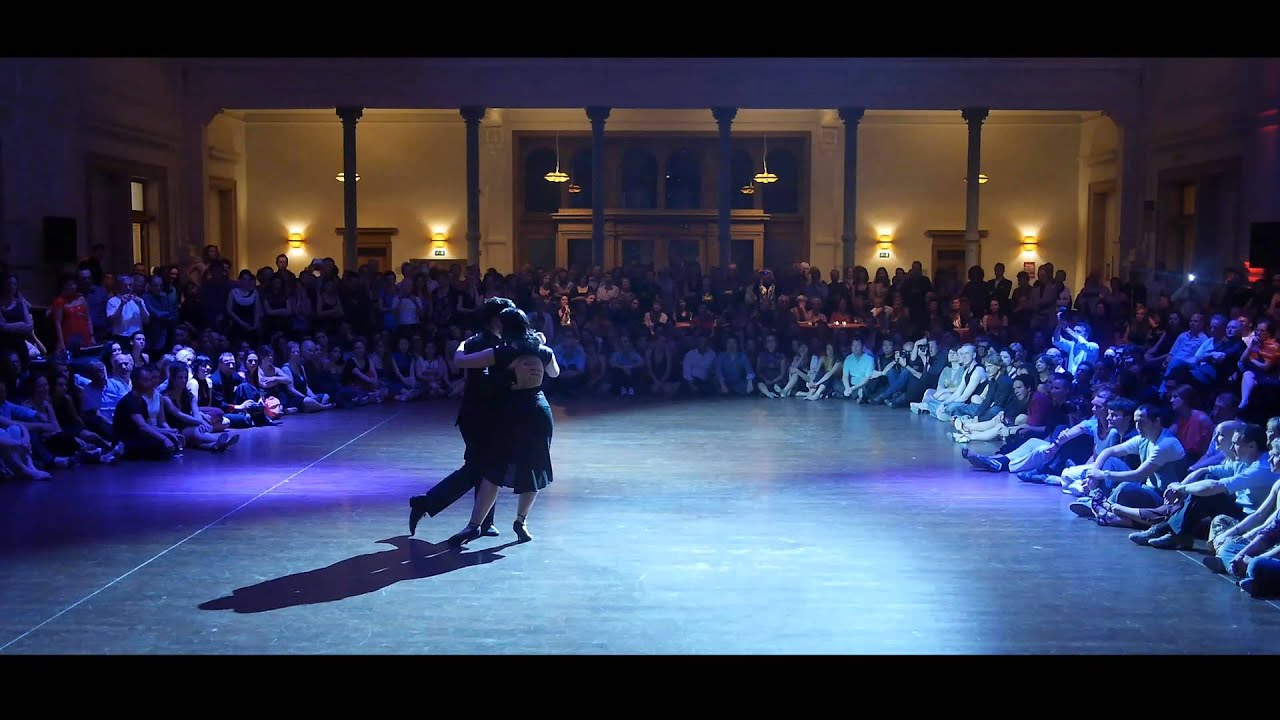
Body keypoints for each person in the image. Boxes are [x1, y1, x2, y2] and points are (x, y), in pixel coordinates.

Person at [448, 307, 559, 546]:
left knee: (494, 470)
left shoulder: (500, 353)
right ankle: (521, 521)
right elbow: (555, 373)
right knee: (534, 466)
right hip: (538, 411)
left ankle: (474, 525)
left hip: (511, 414)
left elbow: (460, 361)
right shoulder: (543, 351)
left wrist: (463, 344)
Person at [407, 297, 515, 536]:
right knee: (483, 468)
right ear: (494, 319)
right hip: (480, 415)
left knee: (484, 468)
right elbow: (482, 380)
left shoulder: (487, 341)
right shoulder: (485, 344)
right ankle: (428, 503)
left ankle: (481, 521)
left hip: (483, 414)